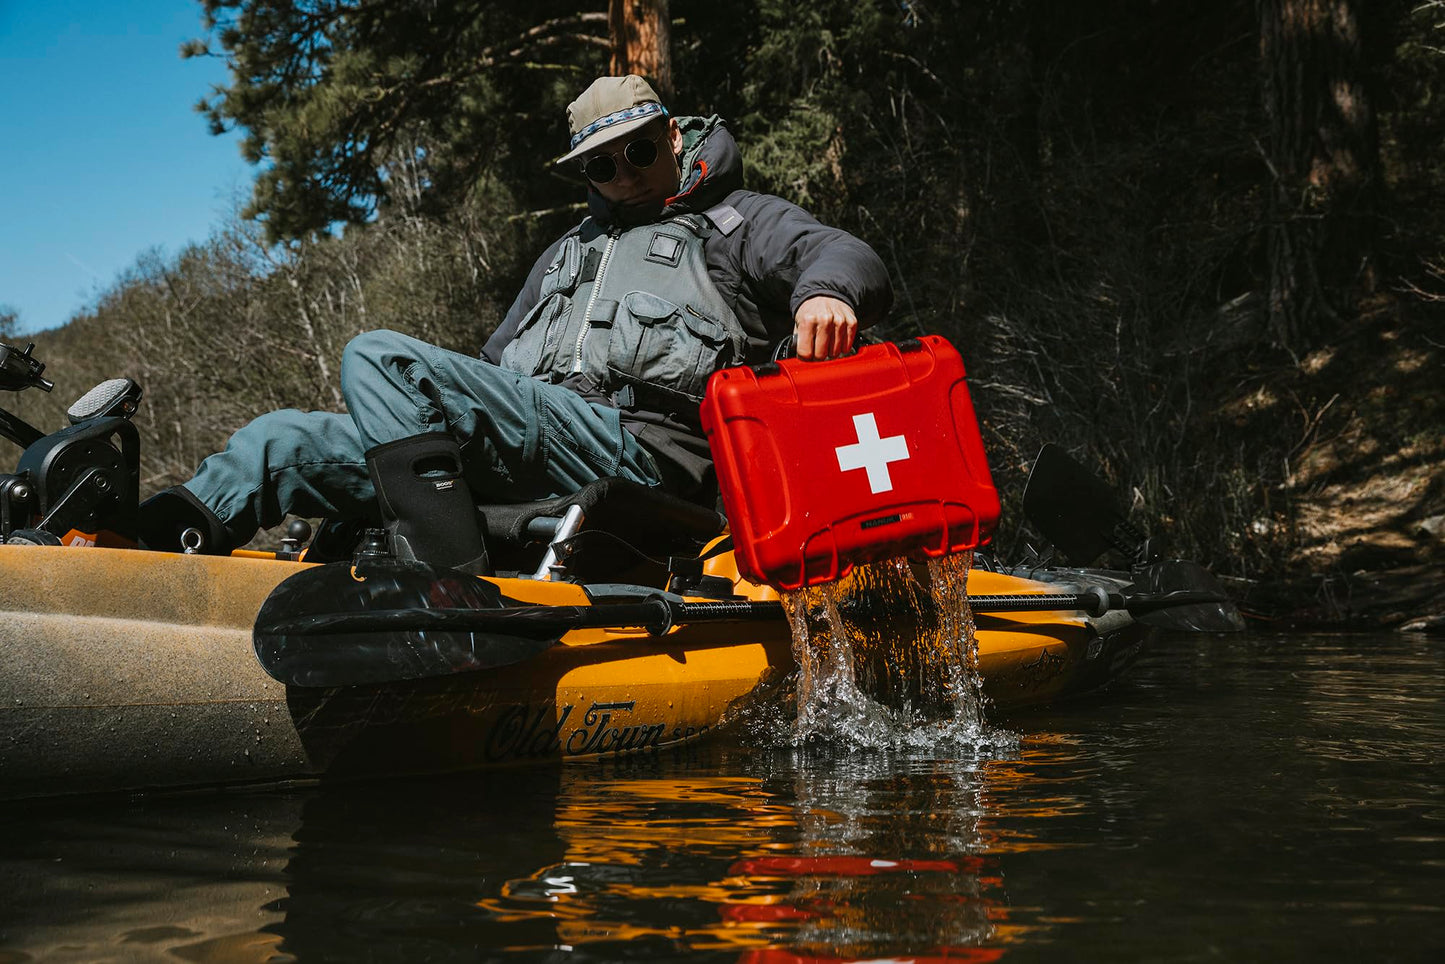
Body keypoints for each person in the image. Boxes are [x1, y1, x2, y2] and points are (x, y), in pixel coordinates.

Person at [138, 75, 893, 569]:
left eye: (635, 151)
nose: (622, 174)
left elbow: (841, 253)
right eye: (601, 166)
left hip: (644, 452)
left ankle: (449, 581)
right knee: (283, 439)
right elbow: (493, 370)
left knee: (379, 355)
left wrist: (826, 295)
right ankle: (145, 553)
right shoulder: (564, 255)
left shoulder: (739, 221)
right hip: (539, 438)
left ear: (670, 136)